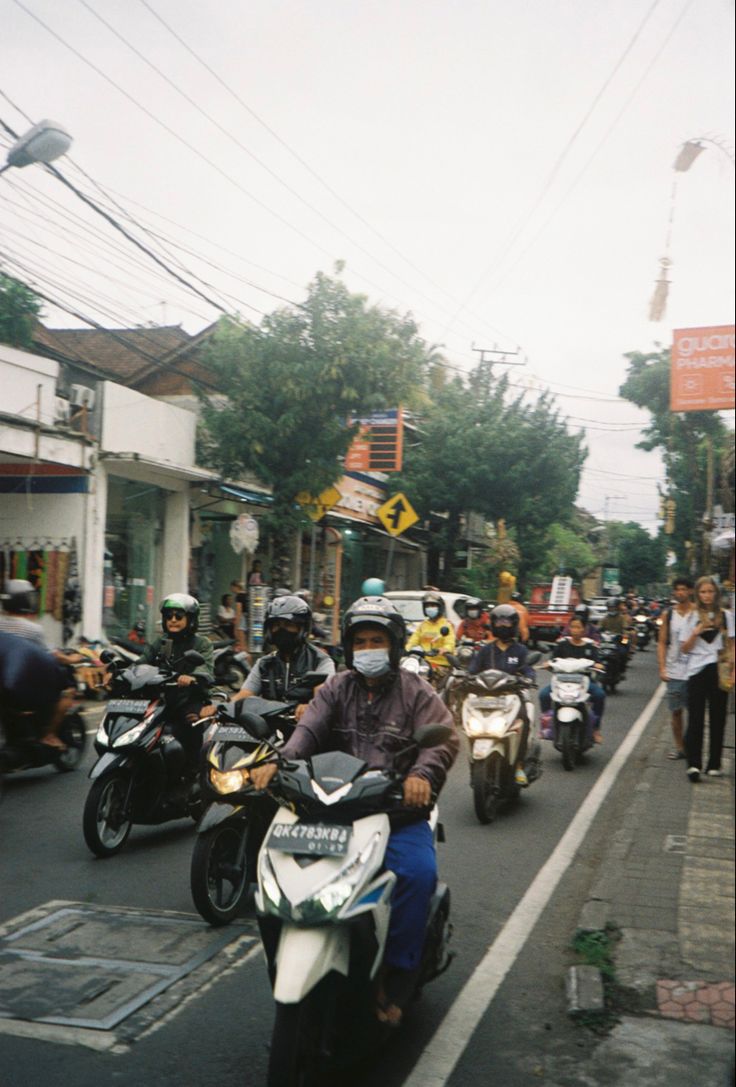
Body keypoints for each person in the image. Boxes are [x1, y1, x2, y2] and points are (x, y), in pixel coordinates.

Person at [250, 595, 459, 1026]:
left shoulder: (417, 692)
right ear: (349, 647)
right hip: (330, 807)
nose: (368, 649)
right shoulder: (335, 687)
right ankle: (286, 964)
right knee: (270, 874)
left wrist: (422, 775)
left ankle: (399, 975)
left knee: (417, 875)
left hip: (395, 811)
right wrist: (278, 762)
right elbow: (306, 732)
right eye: (360, 641)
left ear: (395, 644)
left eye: (376, 640)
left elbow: (443, 740)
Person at [205, 594, 334, 721]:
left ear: (302, 628)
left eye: (288, 625)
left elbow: (322, 696)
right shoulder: (264, 663)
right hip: (269, 731)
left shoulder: (320, 661)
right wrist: (222, 708)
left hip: (304, 728)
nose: (281, 631)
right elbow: (245, 694)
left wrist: (309, 707)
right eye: (276, 626)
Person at [136, 594, 214, 766]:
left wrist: (193, 677)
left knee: (191, 721)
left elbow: (205, 668)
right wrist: (122, 673)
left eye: (179, 616)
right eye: (168, 616)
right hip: (160, 700)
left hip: (188, 699)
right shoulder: (161, 642)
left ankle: (191, 773)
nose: (173, 620)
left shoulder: (201, 644)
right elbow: (142, 661)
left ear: (191, 620)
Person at [0, 579, 77, 748]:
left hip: (5, 683)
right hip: (22, 685)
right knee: (67, 692)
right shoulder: (32, 629)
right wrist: (72, 659)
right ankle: (49, 735)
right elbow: (52, 655)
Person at [468, 604, 536, 786]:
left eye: (506, 622)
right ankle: (474, 763)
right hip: (486, 698)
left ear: (513, 624)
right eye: (499, 621)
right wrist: (465, 678)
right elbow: (472, 670)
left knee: (525, 721)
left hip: (512, 697)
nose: (503, 625)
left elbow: (528, 670)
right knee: (469, 723)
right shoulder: (486, 650)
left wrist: (528, 678)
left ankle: (519, 764)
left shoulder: (520, 650)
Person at [679, 576, 735, 782]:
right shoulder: (692, 617)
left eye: (710, 591)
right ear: (697, 594)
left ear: (716, 593)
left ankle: (714, 763)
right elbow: (684, 648)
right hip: (696, 670)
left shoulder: (726, 616)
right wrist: (695, 633)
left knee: (718, 717)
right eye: (703, 592)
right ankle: (694, 764)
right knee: (695, 718)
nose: (707, 596)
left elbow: (731, 643)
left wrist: (733, 669)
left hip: (719, 669)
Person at [539, 616, 605, 743]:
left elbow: (599, 663)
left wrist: (597, 665)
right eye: (573, 627)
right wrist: (547, 665)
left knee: (599, 695)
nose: (575, 630)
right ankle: (546, 725)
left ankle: (596, 729)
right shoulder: (562, 644)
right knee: (543, 695)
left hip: (584, 682)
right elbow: (552, 660)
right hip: (561, 681)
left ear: (584, 629)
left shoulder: (590, 647)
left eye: (578, 627)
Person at [657, 577, 695, 761]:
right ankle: (680, 747)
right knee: (676, 711)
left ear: (690, 591)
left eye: (684, 589)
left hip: (695, 669)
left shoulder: (698, 613)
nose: (680, 593)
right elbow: (662, 642)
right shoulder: (668, 615)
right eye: (677, 589)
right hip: (675, 671)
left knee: (695, 711)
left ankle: (691, 745)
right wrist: (662, 667)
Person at [405, 591, 456, 686]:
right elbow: (412, 641)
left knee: (427, 686)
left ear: (440, 608)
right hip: (422, 663)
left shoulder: (447, 625)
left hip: (440, 665)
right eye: (427, 606)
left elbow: (450, 644)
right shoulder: (423, 625)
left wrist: (444, 650)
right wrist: (406, 650)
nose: (430, 608)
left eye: (433, 605)